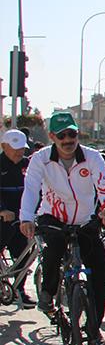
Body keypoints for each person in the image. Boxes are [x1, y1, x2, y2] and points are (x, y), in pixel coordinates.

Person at [19, 112, 105, 345]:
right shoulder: (40, 159)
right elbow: (31, 189)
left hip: (85, 220)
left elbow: (104, 183)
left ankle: (93, 329)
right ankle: (48, 293)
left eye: (71, 134)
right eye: (61, 136)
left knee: (102, 275)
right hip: (53, 217)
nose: (67, 140)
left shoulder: (92, 157)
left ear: (77, 134)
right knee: (53, 252)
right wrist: (26, 218)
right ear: (52, 137)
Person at [0, 130, 34, 307]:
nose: (19, 152)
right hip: (4, 216)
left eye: (22, 148)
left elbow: (37, 189)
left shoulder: (28, 165)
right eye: (15, 148)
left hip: (22, 216)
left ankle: (19, 289)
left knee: (23, 254)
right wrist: (2, 210)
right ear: (4, 146)